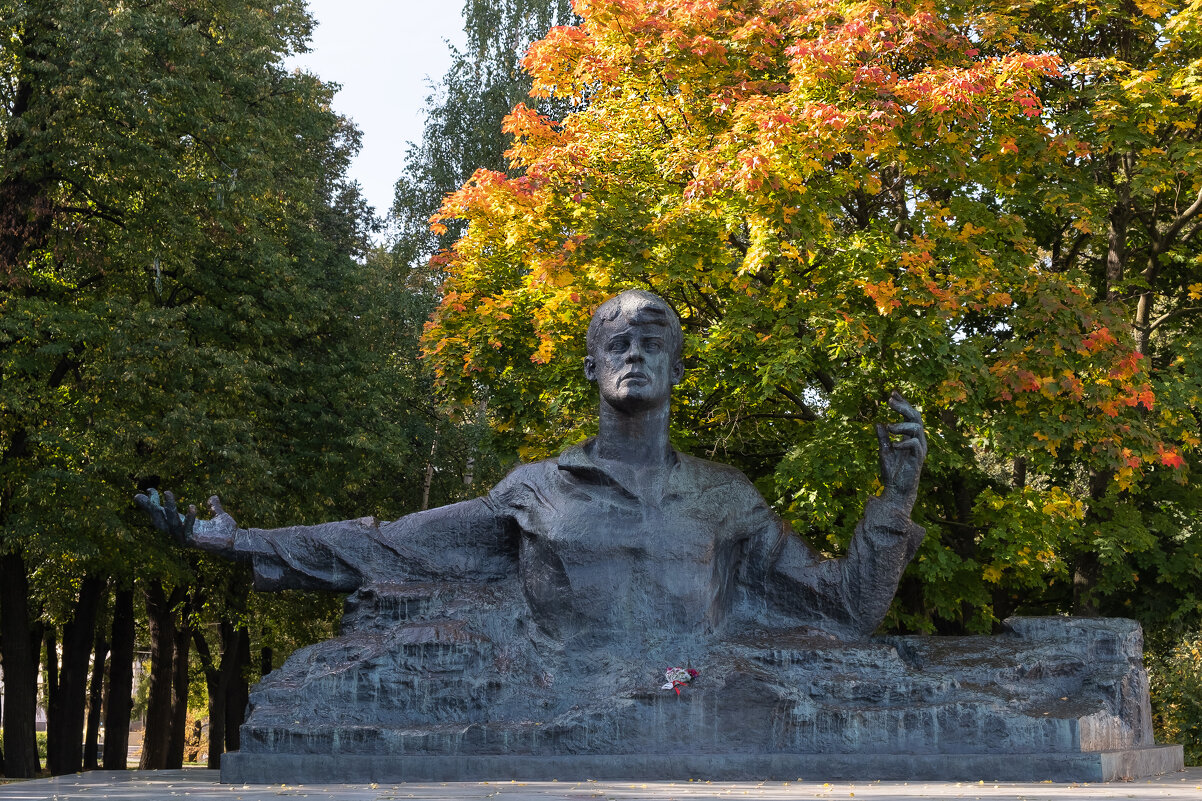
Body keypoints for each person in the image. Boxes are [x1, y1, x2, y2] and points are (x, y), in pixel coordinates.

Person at [138, 289, 926, 643]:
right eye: (617, 340)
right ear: (591, 368)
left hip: (699, 711)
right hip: (554, 704)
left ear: (679, 369)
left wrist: (895, 499)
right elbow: (386, 544)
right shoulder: (535, 491)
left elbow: (843, 610)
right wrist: (239, 540)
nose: (635, 351)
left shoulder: (725, 498)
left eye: (654, 339)